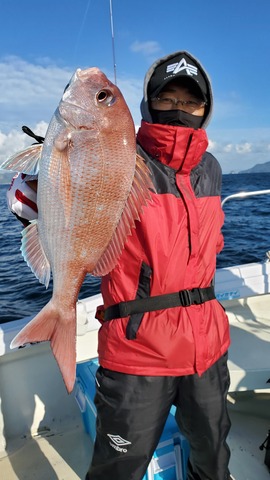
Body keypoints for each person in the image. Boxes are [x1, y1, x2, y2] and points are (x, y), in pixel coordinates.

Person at [7, 51, 233, 480]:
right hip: (136, 355)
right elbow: (54, 191)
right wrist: (33, 197)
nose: (180, 108)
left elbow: (210, 245)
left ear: (206, 110)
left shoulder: (212, 169)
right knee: (118, 471)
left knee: (213, 461)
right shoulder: (127, 158)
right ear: (148, 103)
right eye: (168, 98)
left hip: (207, 351)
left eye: (192, 100)